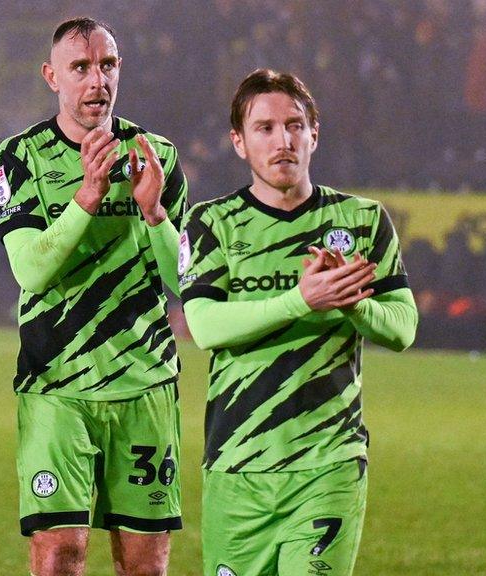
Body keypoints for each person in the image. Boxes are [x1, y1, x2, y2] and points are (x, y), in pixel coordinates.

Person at [178, 69, 418, 576]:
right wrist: (302, 300)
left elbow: (402, 328)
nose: (283, 140)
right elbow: (204, 326)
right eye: (264, 128)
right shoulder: (210, 222)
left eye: (294, 125)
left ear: (314, 133)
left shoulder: (363, 220)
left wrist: (352, 303)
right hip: (237, 465)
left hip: (327, 462)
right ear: (238, 143)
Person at [0, 17, 187, 576]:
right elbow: (30, 269)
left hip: (145, 382)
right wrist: (88, 197)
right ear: (53, 76)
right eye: (81, 67)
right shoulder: (19, 156)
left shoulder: (158, 157)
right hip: (57, 384)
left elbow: (185, 283)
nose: (96, 80)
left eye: (108, 65)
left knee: (145, 564)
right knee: (58, 553)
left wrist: (154, 212)